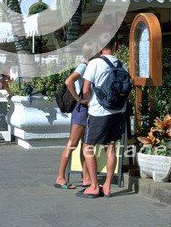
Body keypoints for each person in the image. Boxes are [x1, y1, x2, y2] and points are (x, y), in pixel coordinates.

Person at [77, 34, 127, 199]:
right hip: (117, 111)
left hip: (98, 112)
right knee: (110, 146)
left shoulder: (94, 63)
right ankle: (107, 186)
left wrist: (86, 100)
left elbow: (85, 90)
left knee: (87, 147)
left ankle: (93, 185)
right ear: (115, 46)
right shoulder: (122, 64)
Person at [54, 41, 99, 190]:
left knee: (85, 144)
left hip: (86, 109)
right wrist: (79, 98)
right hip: (81, 109)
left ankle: (86, 177)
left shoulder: (89, 66)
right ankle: (60, 177)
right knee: (72, 143)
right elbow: (69, 81)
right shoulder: (84, 66)